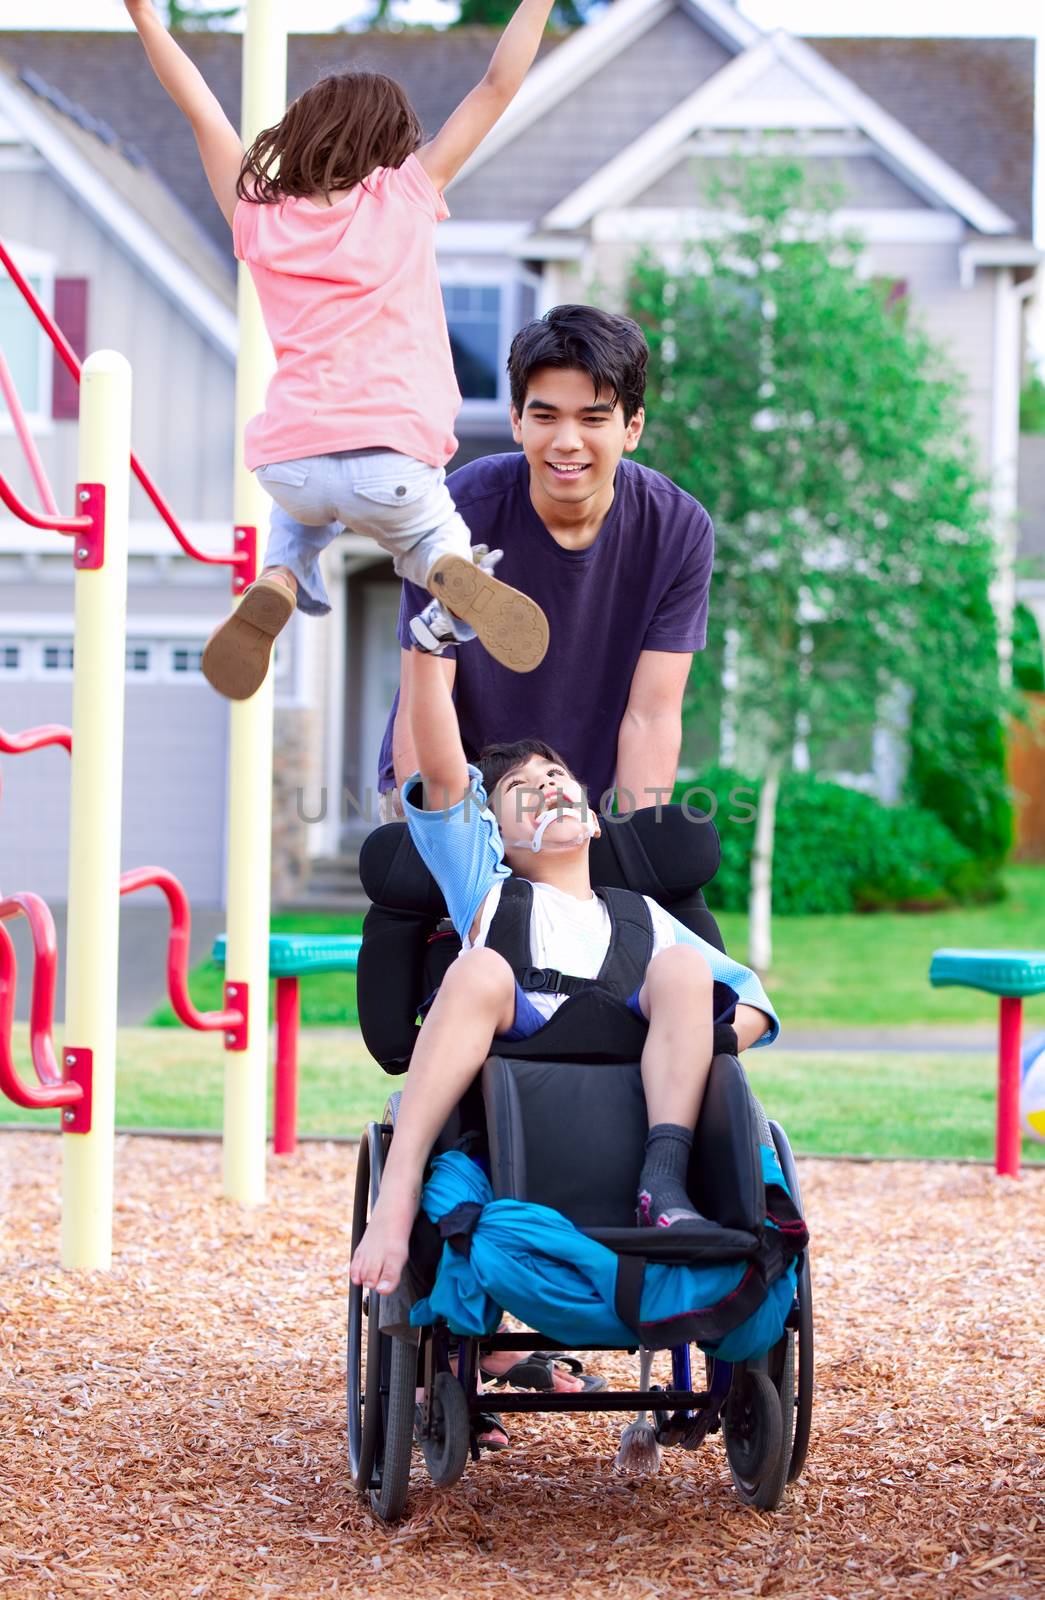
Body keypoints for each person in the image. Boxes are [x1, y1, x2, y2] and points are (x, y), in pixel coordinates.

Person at [124, 0, 552, 699]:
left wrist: (145, 16)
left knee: (296, 514)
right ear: (389, 142)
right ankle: (447, 564)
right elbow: (496, 86)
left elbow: (202, 112)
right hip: (392, 463)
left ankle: (279, 579)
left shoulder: (257, 215)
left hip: (290, 462)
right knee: (428, 538)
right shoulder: (406, 194)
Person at [352, 645, 778, 1301]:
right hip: (516, 1039)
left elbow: (750, 1000)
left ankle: (663, 1180)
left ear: (596, 824)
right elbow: (440, 770)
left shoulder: (645, 918)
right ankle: (400, 1195)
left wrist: (703, 1040)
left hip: (637, 1058)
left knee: (687, 971)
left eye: (556, 775)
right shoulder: (484, 888)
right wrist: (428, 651)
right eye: (520, 790)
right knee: (479, 970)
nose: (546, 785)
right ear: (491, 833)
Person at [379, 304, 713, 817]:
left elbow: (651, 716)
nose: (566, 442)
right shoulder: (455, 516)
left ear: (633, 427)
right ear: (516, 420)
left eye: (593, 419)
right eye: (545, 416)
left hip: (581, 806)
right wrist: (444, 839)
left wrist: (630, 849)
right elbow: (425, 689)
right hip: (450, 781)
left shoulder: (676, 531)